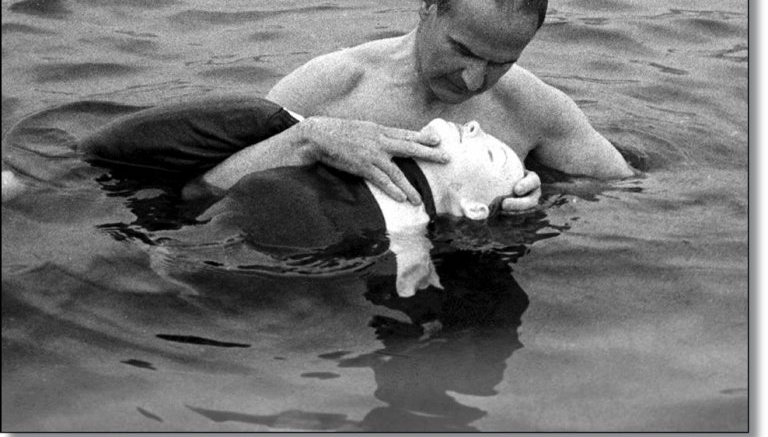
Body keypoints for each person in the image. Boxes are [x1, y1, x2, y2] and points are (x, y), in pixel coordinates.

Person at [211, 0, 634, 213]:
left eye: (501, 63)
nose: (473, 80)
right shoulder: (333, 86)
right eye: (461, 49)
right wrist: (308, 139)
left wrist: (548, 201)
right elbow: (204, 189)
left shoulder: (535, 108)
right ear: (428, 2)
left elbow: (628, 193)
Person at [79, 96, 527, 297]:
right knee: (261, 116)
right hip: (206, 210)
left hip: (207, 230)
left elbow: (412, 254)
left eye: (490, 150)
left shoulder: (403, 221)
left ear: (473, 207)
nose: (476, 126)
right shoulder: (349, 132)